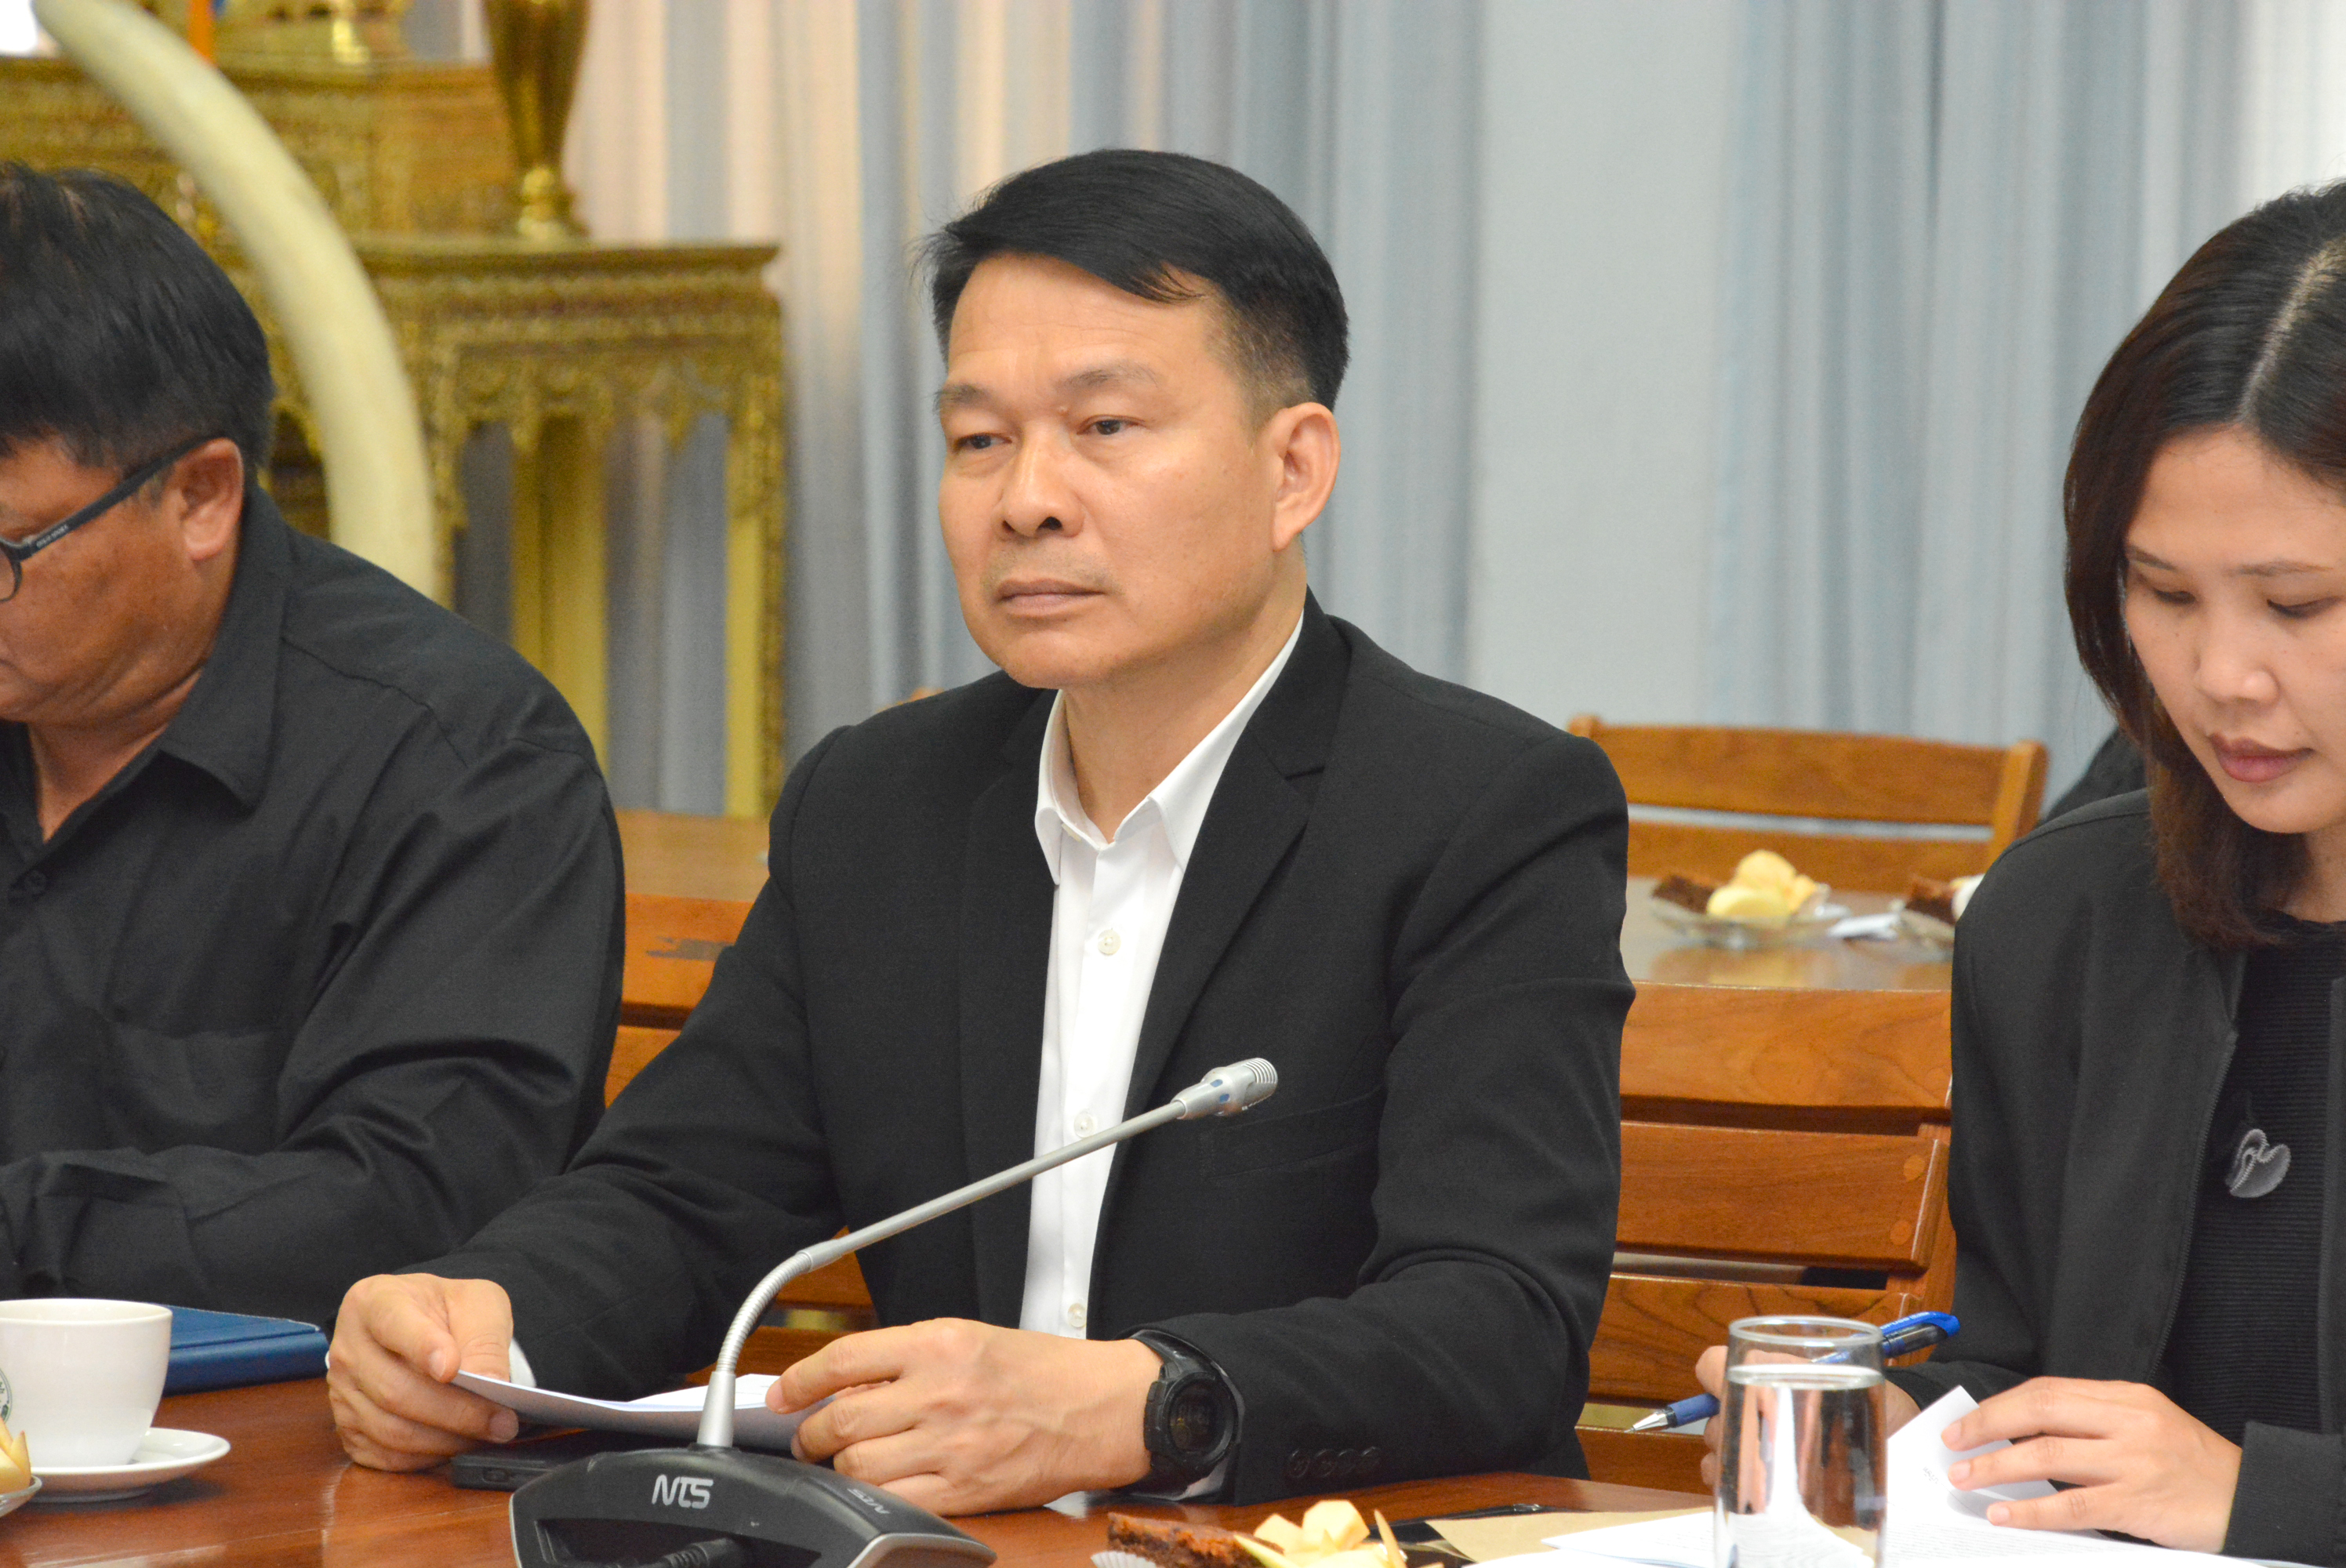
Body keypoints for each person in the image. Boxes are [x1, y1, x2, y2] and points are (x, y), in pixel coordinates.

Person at [326, 148, 1631, 1514]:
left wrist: (1142, 1407)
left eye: (1105, 427)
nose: (1027, 500)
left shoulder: (1481, 811)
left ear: (1292, 469)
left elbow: (1498, 1322)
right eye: (979, 440)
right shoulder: (878, 805)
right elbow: (685, 1195)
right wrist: (485, 1325)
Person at [1685, 183, 2346, 1560]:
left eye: (2297, 604)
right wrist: (1895, 1429)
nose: (2222, 675)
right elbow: (2034, 1363)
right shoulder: (2065, 917)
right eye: (2164, 593)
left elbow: (2195, 1475)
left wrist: (2265, 1501)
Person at [0, 165, 623, 1331]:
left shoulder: (462, 765)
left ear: (200, 497)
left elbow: (415, 1204)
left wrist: (32, 1232)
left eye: (5, 550)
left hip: (285, 1424)